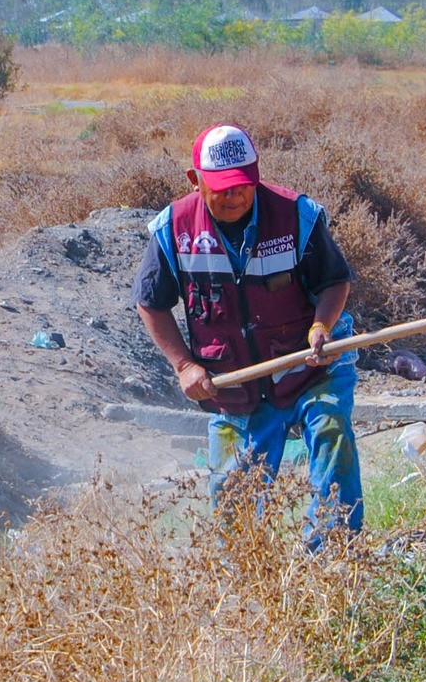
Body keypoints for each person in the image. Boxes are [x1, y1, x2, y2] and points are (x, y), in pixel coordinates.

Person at [133, 124, 363, 538]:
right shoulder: (174, 228)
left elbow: (334, 281)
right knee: (233, 500)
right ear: (195, 181)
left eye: (242, 185)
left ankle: (335, 556)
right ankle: (247, 584)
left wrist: (321, 328)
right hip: (234, 382)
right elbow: (150, 302)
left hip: (310, 365)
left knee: (331, 431)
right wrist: (185, 365)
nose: (234, 196)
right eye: (221, 188)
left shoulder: (297, 215)